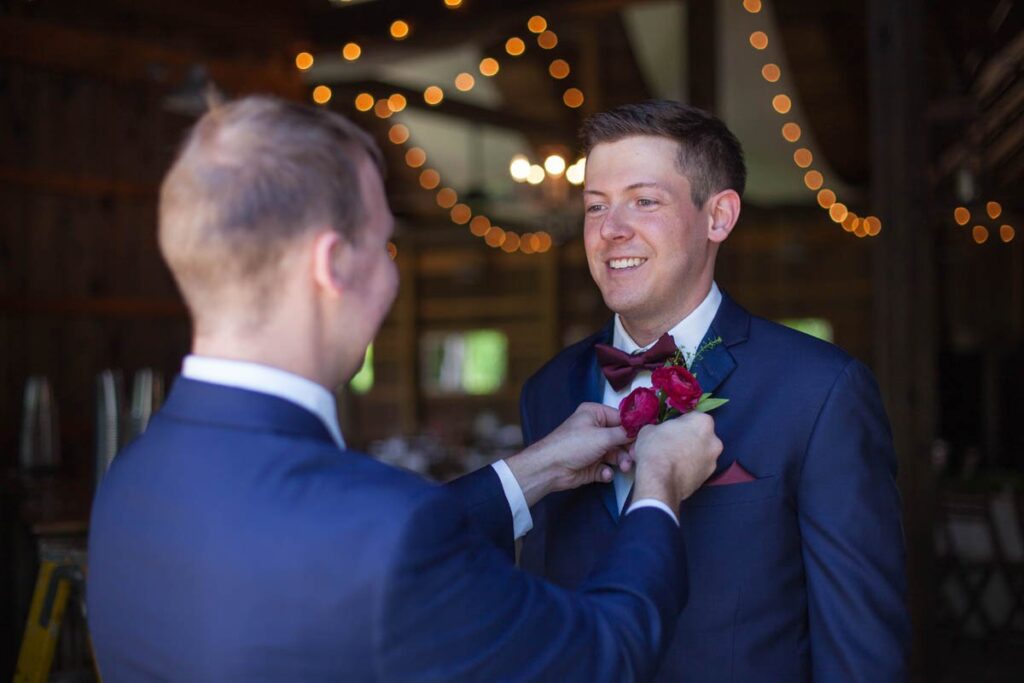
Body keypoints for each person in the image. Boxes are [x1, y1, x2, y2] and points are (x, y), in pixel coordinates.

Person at [86, 96, 724, 682]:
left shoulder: (129, 479)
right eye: (384, 245)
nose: (391, 279)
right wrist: (657, 489)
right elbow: (600, 656)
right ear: (333, 266)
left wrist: (530, 471)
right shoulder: (385, 529)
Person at [519, 100, 911, 682]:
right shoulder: (547, 390)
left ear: (718, 217)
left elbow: (860, 653)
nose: (610, 230)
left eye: (644, 201)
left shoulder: (819, 390)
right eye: (595, 206)